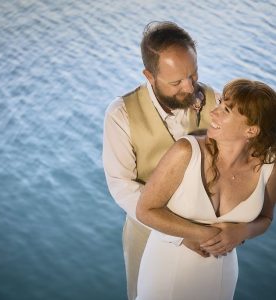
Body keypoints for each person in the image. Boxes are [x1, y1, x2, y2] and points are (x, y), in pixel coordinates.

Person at [103, 21, 267, 300]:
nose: (190, 87)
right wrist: (180, 234)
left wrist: (234, 229)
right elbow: (121, 185)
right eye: (176, 82)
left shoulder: (215, 100)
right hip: (147, 232)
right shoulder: (121, 114)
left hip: (214, 242)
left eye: (193, 74)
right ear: (150, 75)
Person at [136, 78, 276, 300]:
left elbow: (266, 218)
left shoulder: (269, 166)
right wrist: (204, 233)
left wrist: (242, 232)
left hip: (221, 275)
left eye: (226, 110)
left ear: (251, 130)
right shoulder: (186, 151)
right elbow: (145, 210)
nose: (214, 112)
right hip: (168, 271)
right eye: (219, 102)